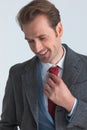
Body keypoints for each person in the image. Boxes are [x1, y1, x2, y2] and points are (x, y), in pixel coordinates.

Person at [0, 0, 87, 130]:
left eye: (42, 38)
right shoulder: (17, 74)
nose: (37, 48)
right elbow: (7, 124)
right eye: (30, 41)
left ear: (59, 30)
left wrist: (70, 103)